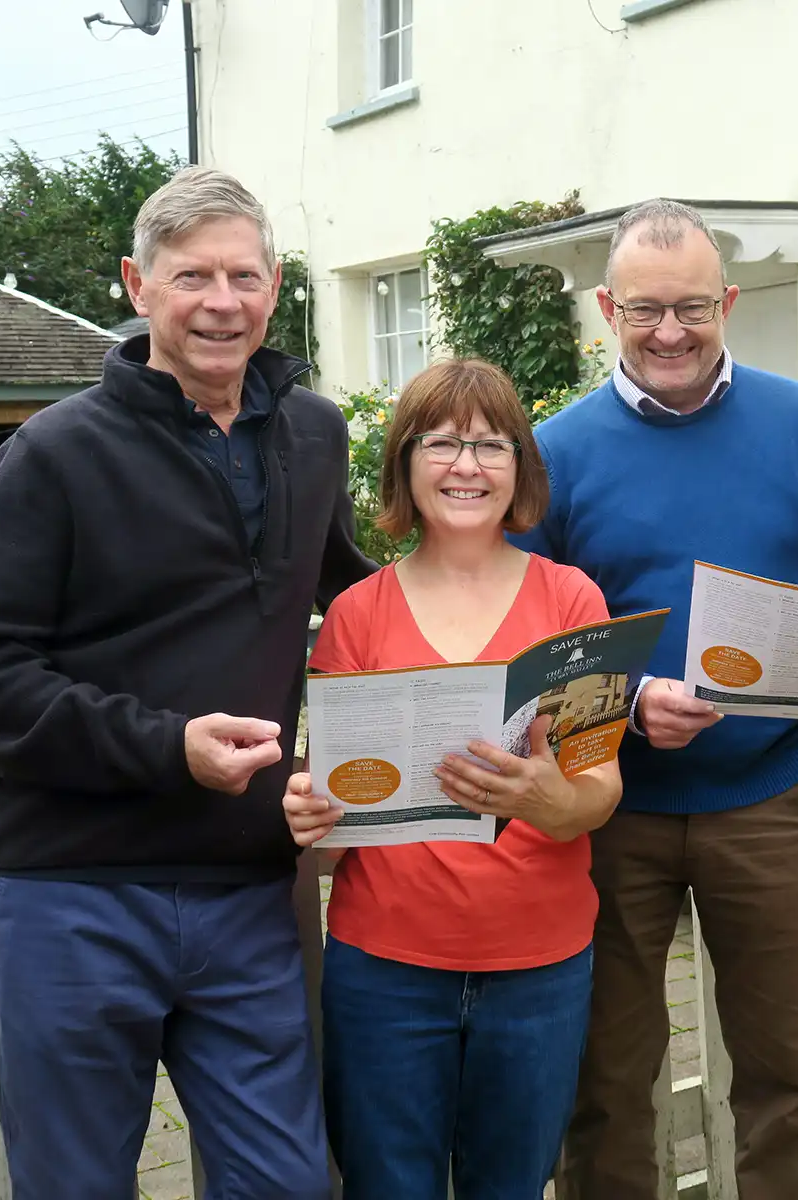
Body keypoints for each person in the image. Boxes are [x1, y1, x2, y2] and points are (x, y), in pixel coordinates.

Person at [0, 165, 375, 1198]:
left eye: (246, 276)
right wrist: (165, 746)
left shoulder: (313, 435)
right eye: (192, 277)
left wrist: (535, 622)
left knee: (286, 1184)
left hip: (246, 893)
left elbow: (359, 604)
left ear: (274, 288)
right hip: (74, 895)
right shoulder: (53, 454)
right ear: (138, 285)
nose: (223, 302)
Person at [510, 198, 798, 1200]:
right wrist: (630, 700)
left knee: (780, 1071)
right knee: (604, 1078)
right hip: (610, 810)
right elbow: (524, 640)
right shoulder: (557, 451)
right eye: (645, 310)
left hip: (767, 800)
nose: (671, 331)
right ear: (607, 307)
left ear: (728, 301)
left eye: (693, 307)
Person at [281, 357, 622, 1200]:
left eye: (490, 445)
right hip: (385, 969)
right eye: (441, 443)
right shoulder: (357, 614)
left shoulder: (574, 601)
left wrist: (553, 800)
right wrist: (308, 815)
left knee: (511, 1188)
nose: (466, 466)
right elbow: (335, 826)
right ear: (404, 463)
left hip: (540, 966)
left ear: (520, 468)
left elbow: (600, 789)